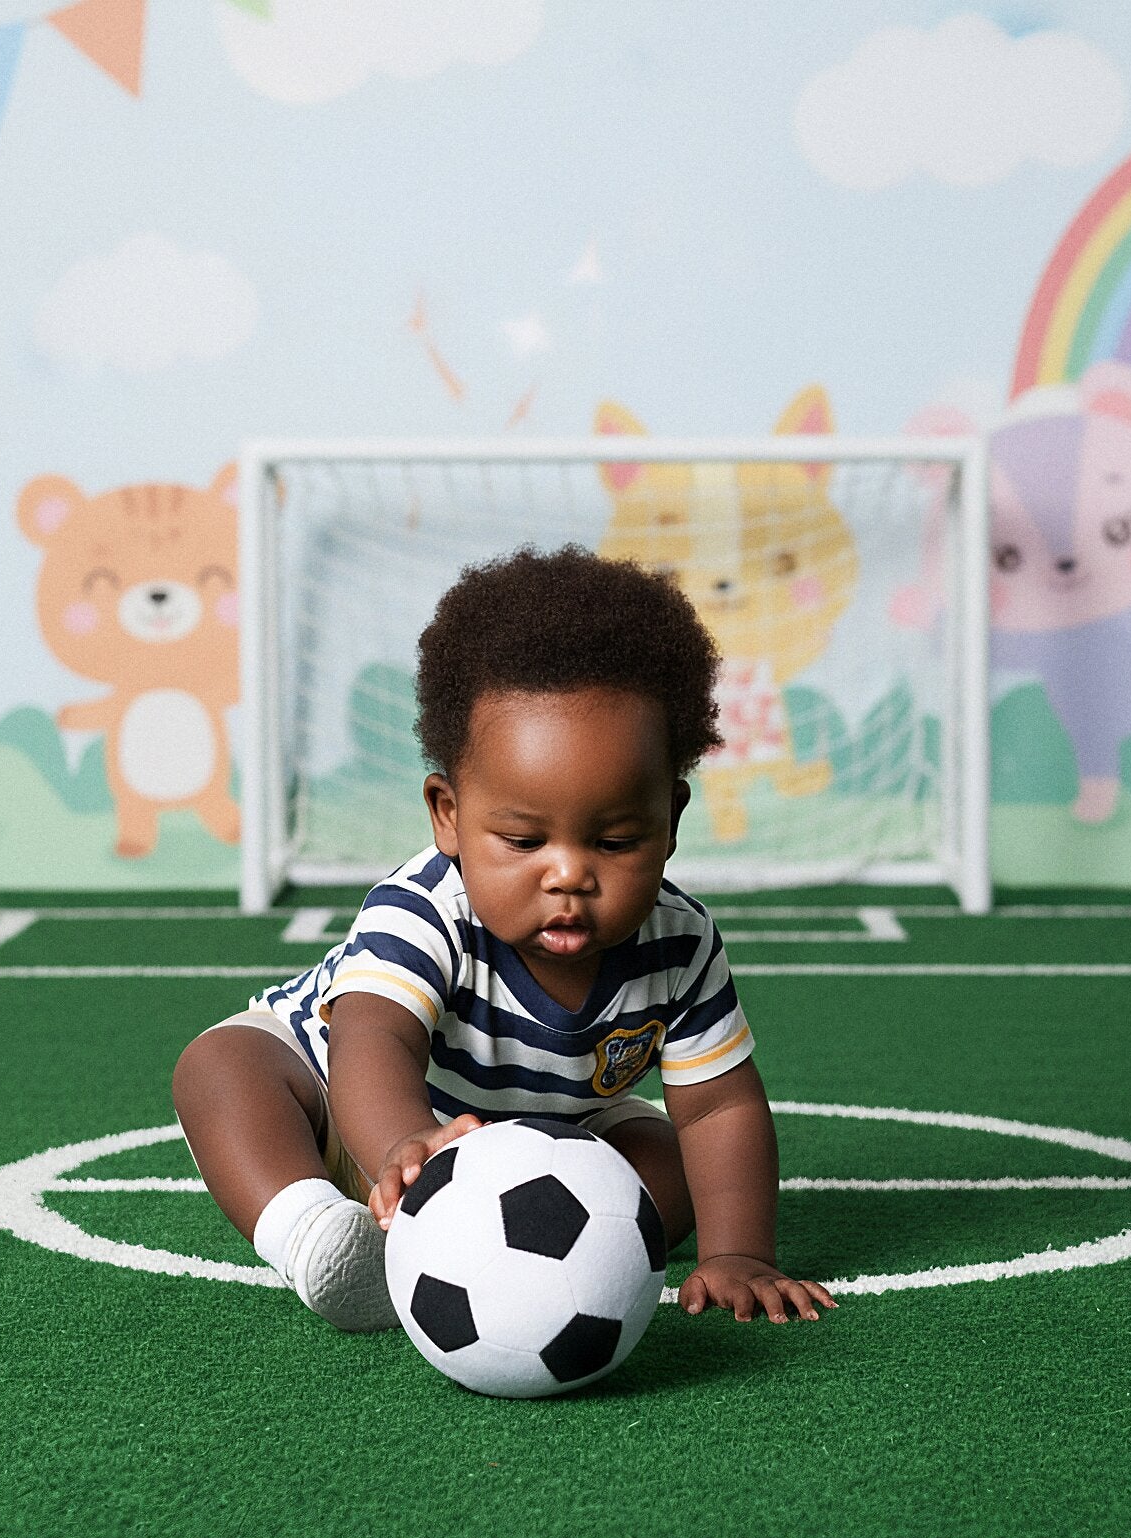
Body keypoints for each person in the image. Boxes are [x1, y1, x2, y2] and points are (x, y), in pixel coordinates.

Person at [173, 545, 836, 1336]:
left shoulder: (679, 942)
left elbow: (718, 1109)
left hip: (543, 1143)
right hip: (353, 1122)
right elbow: (370, 1040)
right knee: (222, 1066)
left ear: (672, 821)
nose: (568, 876)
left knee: (666, 1152)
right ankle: (315, 1233)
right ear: (447, 814)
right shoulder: (425, 909)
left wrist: (739, 1252)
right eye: (524, 842)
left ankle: (550, 1259)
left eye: (616, 841)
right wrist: (403, 1141)